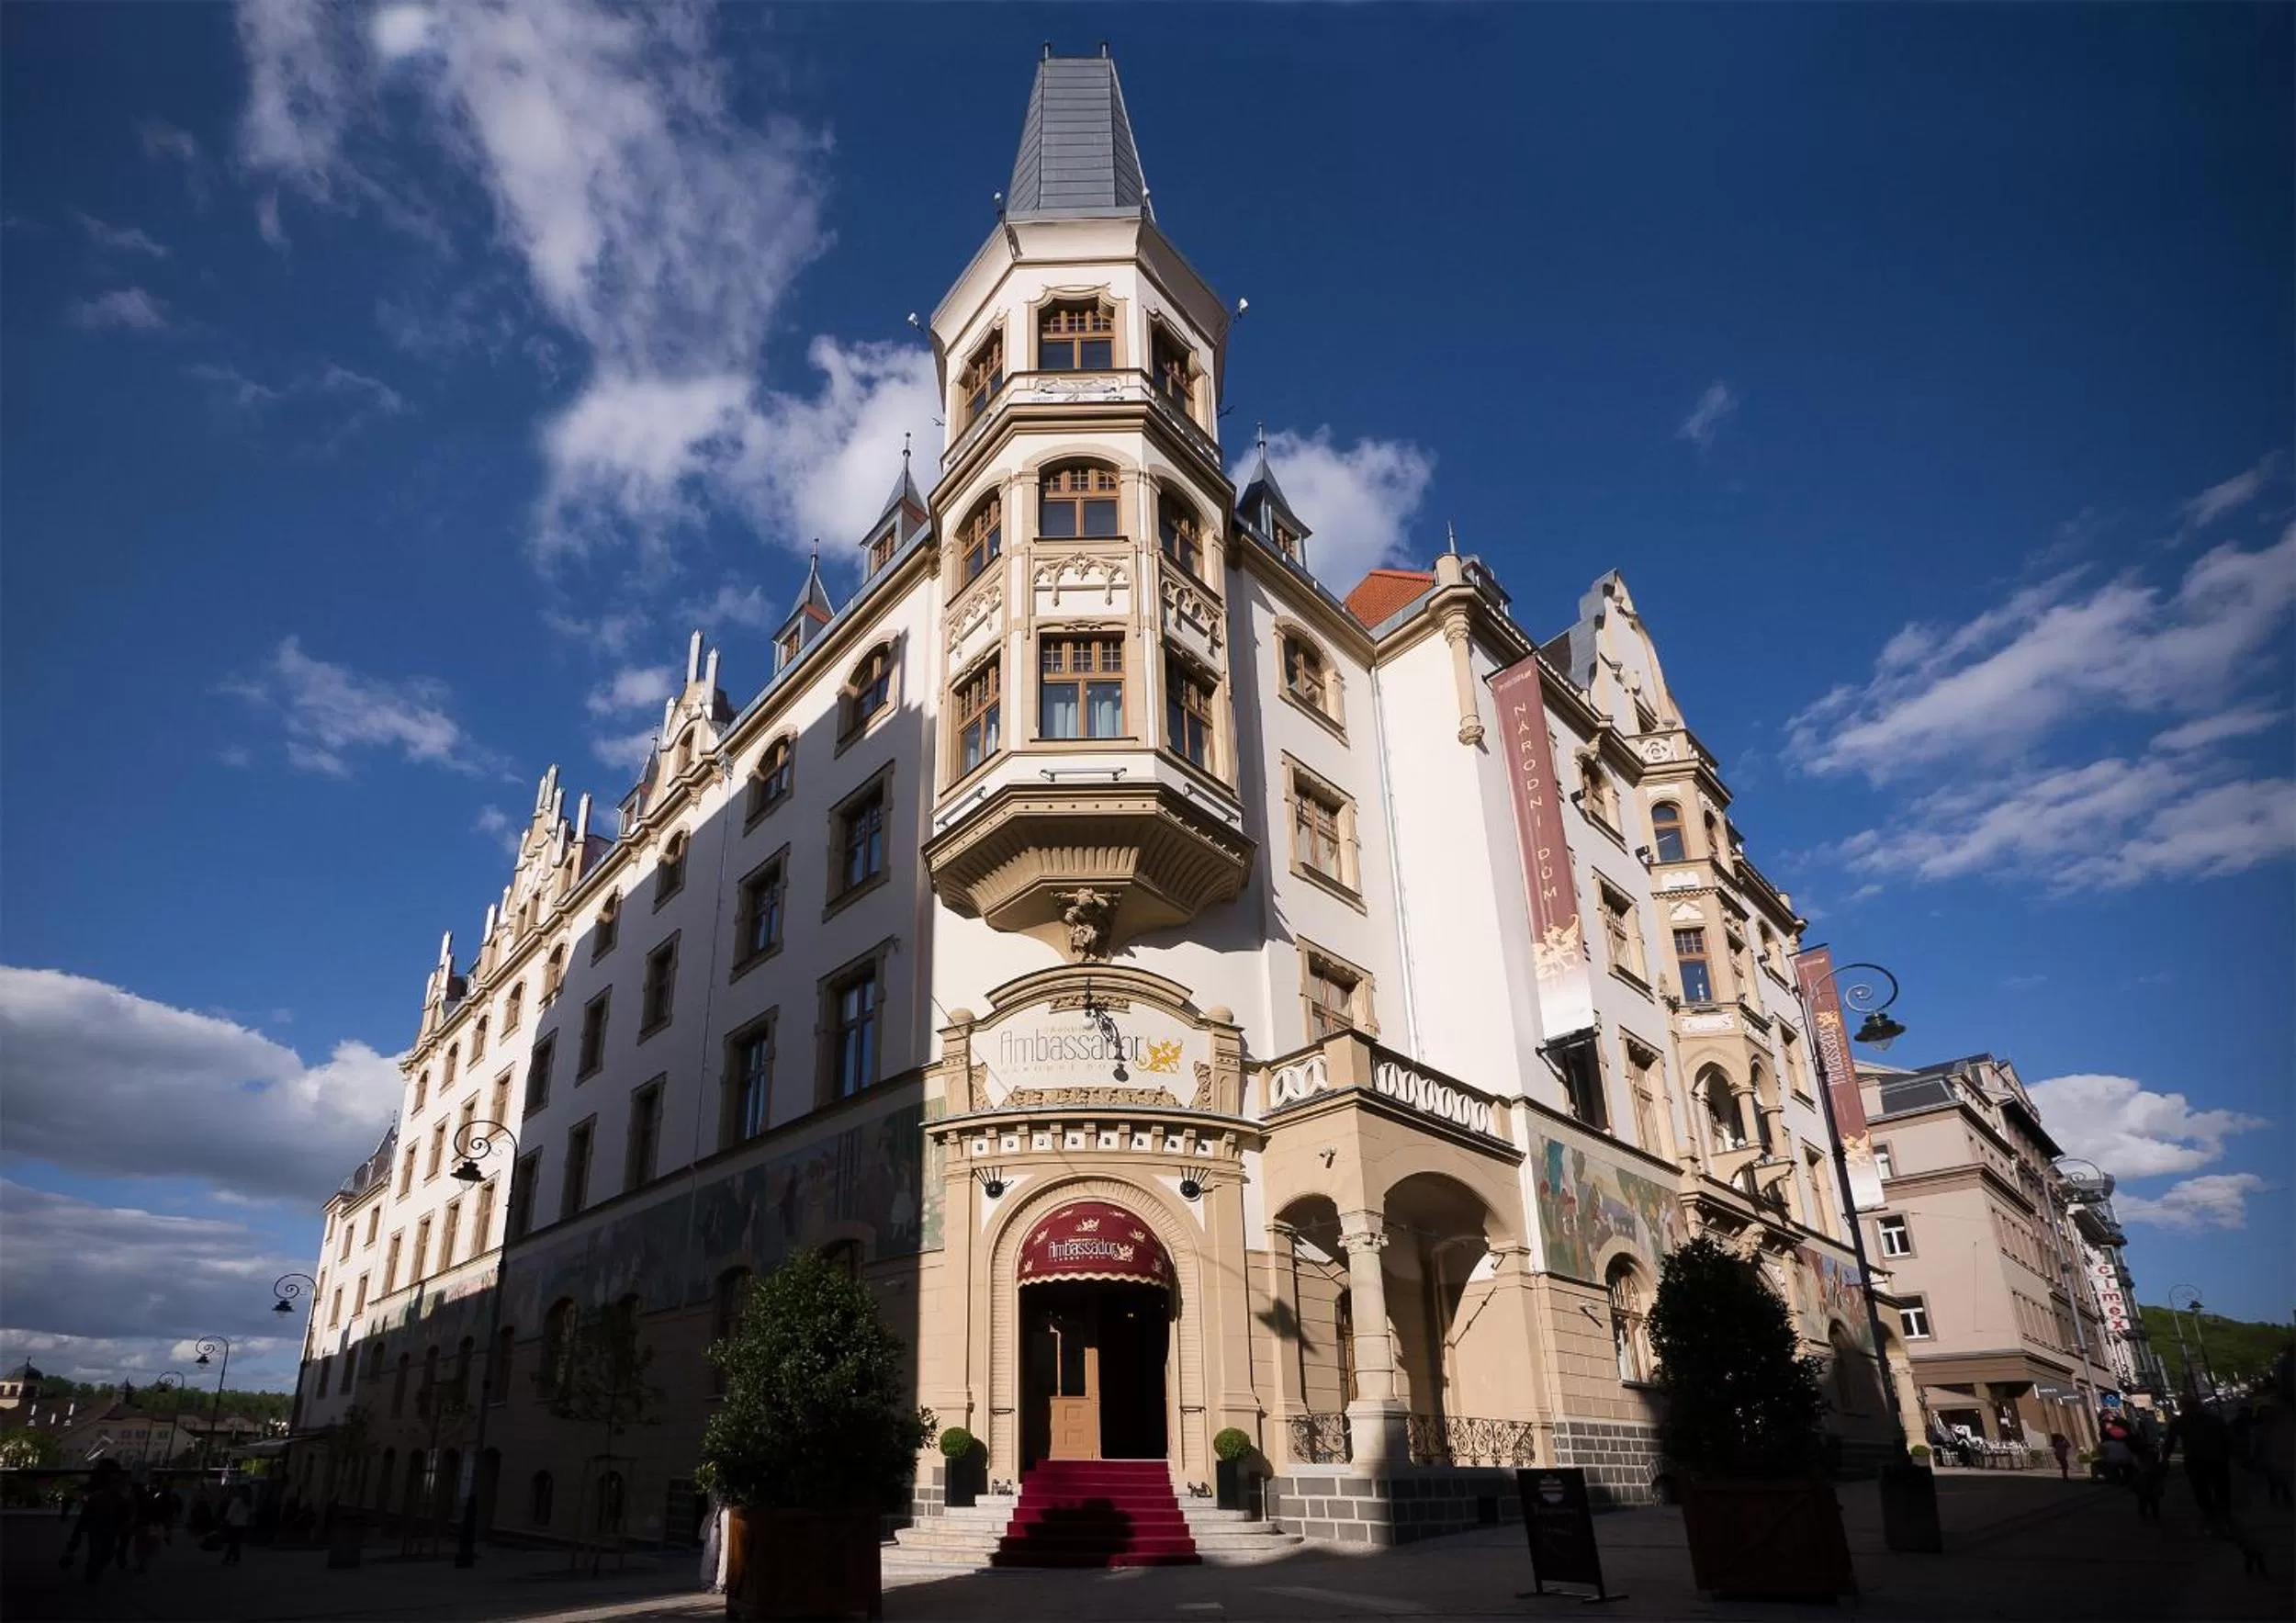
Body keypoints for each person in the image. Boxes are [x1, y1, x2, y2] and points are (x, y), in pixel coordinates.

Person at [2165, 1392, 2235, 1533]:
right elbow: (2227, 1438)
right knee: (2214, 1490)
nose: (2188, 1408)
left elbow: (2169, 1443)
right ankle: (2220, 1516)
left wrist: (2164, 1459)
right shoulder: (2212, 1419)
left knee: (2204, 1491)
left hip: (2200, 1460)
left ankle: (2214, 1516)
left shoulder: (2180, 1422)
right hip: (2210, 1459)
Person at [59, 1460, 129, 1586]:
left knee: (104, 1551)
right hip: (101, 1524)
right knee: (101, 1550)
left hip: (104, 1523)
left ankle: (92, 1570)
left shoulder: (108, 1492)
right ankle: (93, 1571)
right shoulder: (104, 1492)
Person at [219, 1487, 251, 1566]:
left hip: (234, 1524)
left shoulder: (237, 1500)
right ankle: (231, 1558)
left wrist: (225, 1520)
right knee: (236, 1542)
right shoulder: (248, 1501)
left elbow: (231, 1512)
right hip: (243, 1524)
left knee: (233, 1542)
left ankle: (232, 1558)